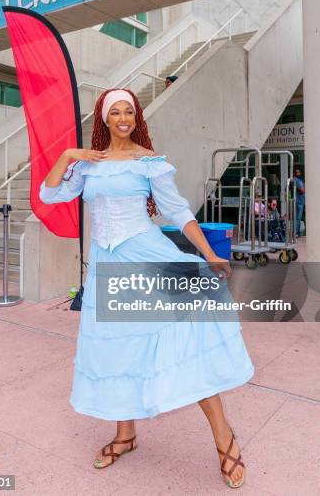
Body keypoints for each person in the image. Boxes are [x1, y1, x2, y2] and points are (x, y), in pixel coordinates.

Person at [40, 89, 254, 488]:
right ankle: (126, 435)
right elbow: (50, 194)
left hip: (146, 256)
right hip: (106, 267)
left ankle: (225, 439)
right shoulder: (91, 164)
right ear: (104, 119)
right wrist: (70, 155)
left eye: (129, 112)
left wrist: (209, 253)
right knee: (119, 348)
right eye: (115, 112)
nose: (123, 118)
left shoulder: (149, 162)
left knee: (184, 342)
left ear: (137, 117)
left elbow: (178, 212)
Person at [293, 168, 305, 237]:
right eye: (297, 172)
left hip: (300, 201)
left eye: (299, 172)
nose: (299, 174)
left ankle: (298, 232)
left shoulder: (298, 180)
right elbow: (303, 190)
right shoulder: (296, 180)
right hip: (299, 202)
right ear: (294, 173)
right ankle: (296, 233)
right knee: (298, 218)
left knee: (299, 218)